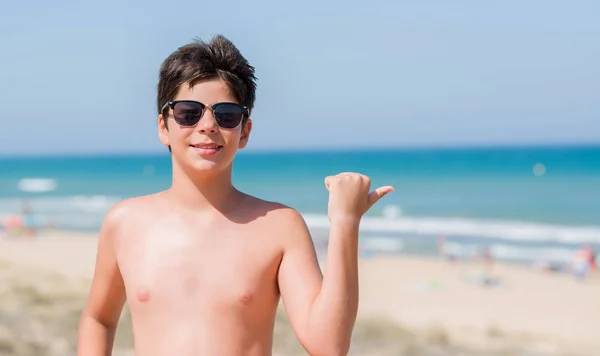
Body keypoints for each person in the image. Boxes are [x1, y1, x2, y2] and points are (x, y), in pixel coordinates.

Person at [76, 34, 393, 356]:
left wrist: (345, 221)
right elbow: (98, 318)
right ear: (163, 126)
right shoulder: (126, 222)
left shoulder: (280, 226)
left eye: (226, 114)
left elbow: (328, 346)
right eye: (189, 112)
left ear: (244, 131)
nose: (208, 125)